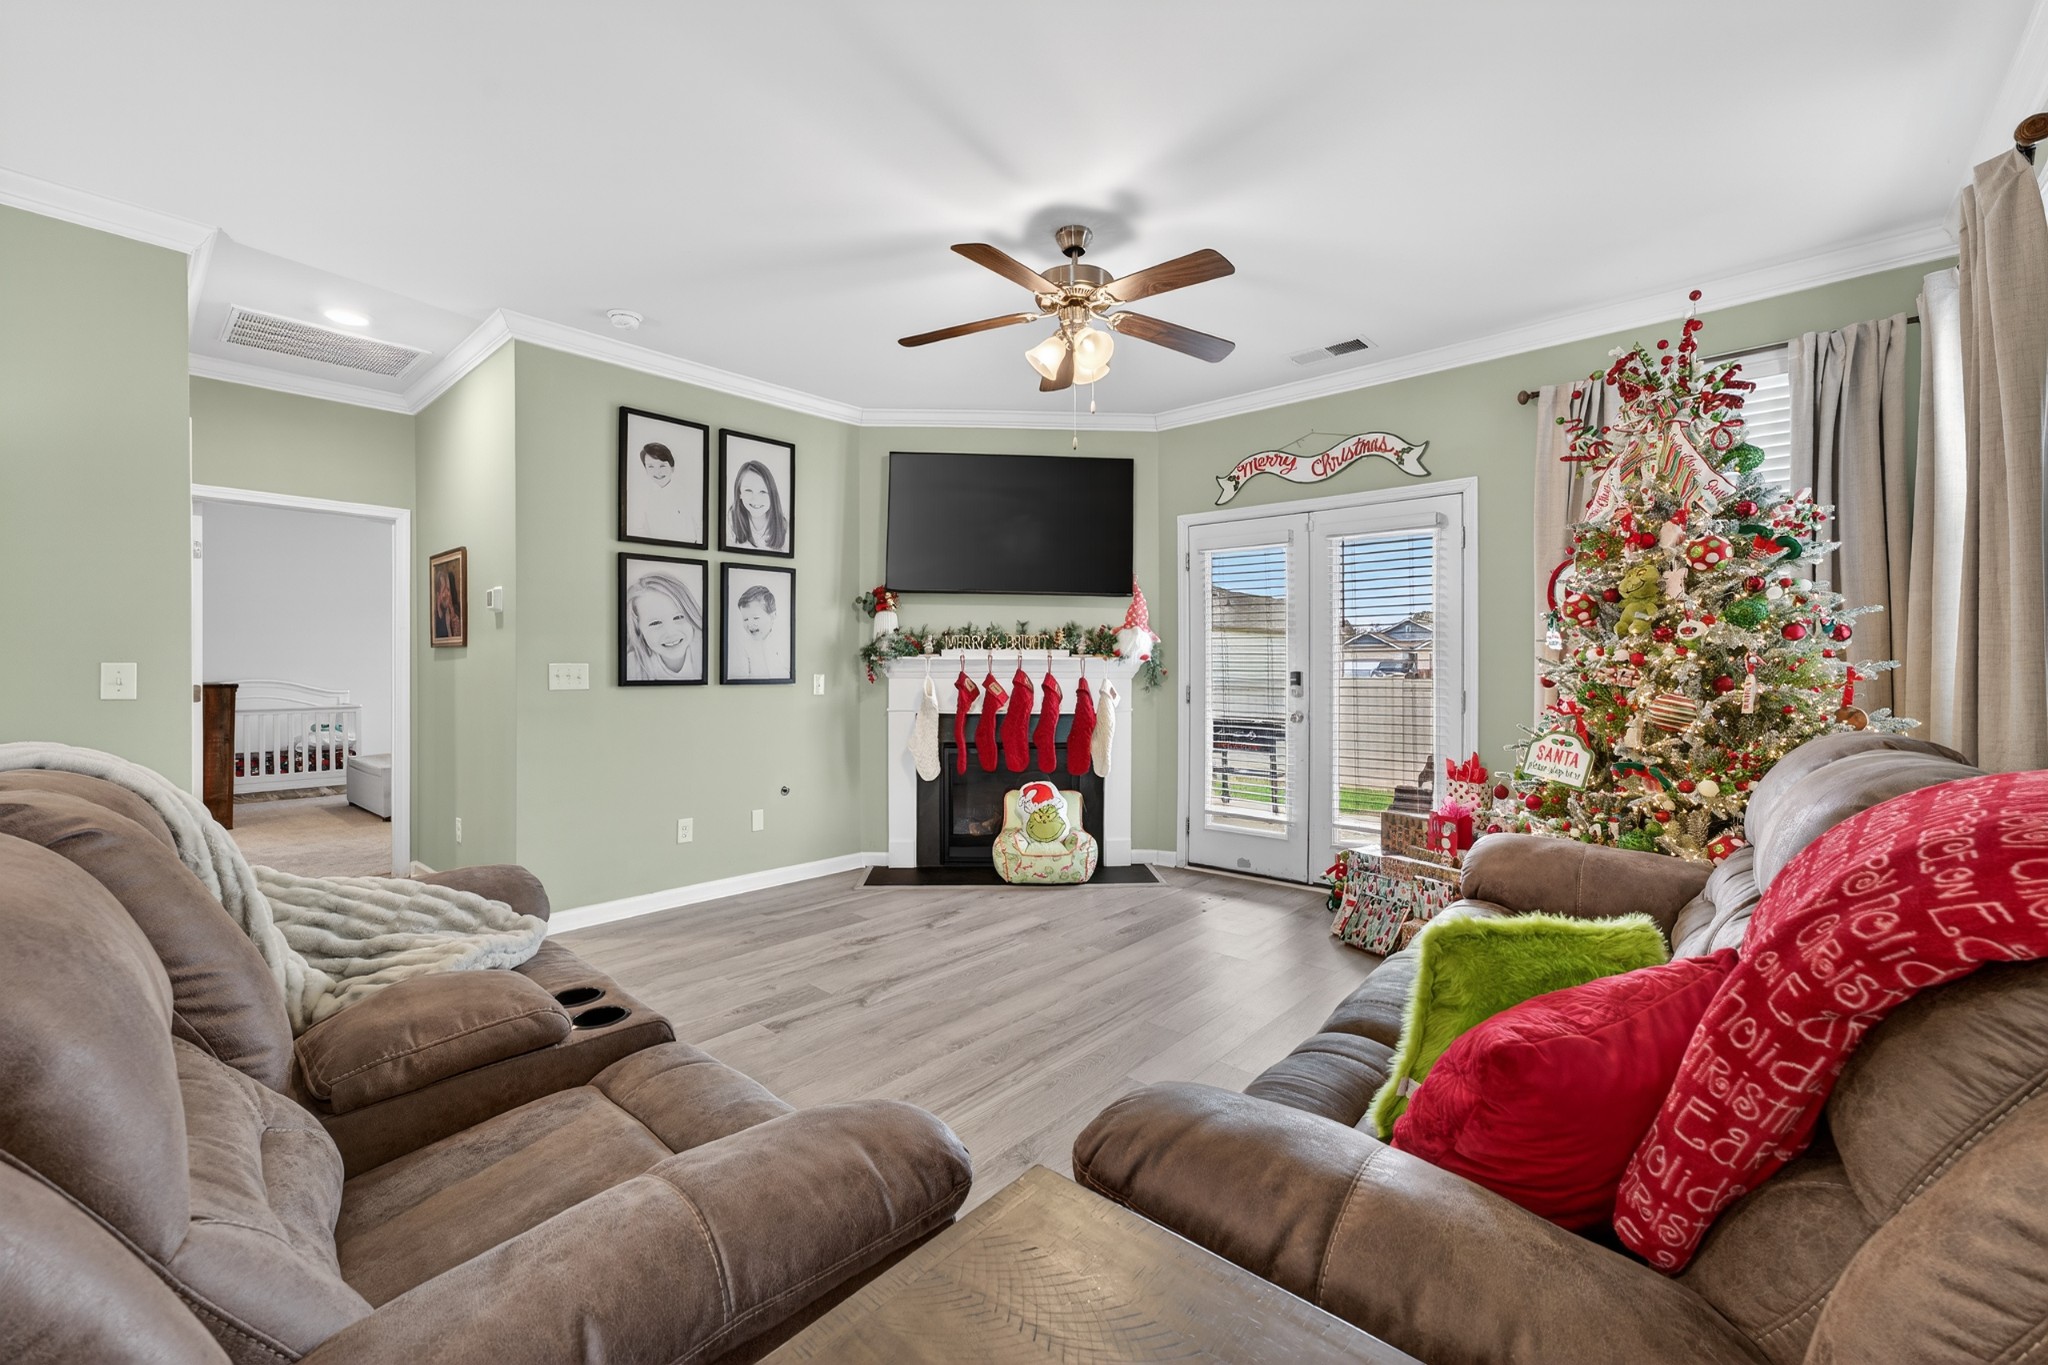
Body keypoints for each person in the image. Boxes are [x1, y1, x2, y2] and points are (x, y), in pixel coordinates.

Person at [624, 570, 703, 681]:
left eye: (678, 617)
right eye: (655, 623)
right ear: (638, 630)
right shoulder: (631, 668)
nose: (670, 632)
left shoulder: (706, 652)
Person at [627, 442, 699, 542]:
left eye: (662, 466)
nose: (657, 472)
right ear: (645, 469)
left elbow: (701, 530)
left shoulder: (689, 495)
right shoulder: (641, 499)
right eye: (651, 466)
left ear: (672, 467)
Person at [729, 582, 789, 679]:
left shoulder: (784, 642)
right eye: (745, 619)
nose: (750, 624)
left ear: (772, 616)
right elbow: (740, 677)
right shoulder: (743, 646)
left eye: (756, 618)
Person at [727, 459, 788, 551]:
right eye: (748, 490)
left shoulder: (785, 525)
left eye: (763, 491)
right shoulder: (730, 521)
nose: (756, 499)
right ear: (739, 493)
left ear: (772, 495)